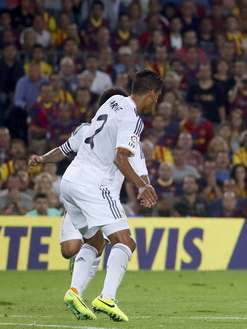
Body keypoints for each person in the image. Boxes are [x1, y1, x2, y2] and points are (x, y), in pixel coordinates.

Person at [57, 70, 161, 321]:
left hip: (70, 181)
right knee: (126, 242)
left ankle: (74, 292)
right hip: (95, 185)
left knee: (95, 242)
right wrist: (142, 186)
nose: (156, 102)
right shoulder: (134, 118)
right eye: (156, 97)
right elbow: (121, 157)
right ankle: (107, 298)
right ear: (150, 93)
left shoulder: (111, 103)